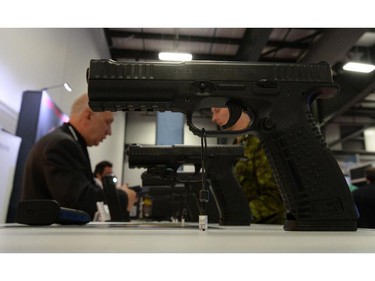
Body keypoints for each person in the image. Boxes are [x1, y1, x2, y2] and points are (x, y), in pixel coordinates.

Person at [21, 93, 129, 220]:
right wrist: (123, 196)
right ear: (88, 116)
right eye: (107, 123)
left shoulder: (66, 142)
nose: (109, 132)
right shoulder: (62, 144)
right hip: (45, 237)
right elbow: (80, 202)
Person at [211, 107, 285, 224]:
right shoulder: (238, 147)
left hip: (268, 232)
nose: (213, 118)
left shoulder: (261, 142)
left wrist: (238, 214)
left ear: (235, 108)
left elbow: (276, 199)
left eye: (217, 110)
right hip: (249, 229)